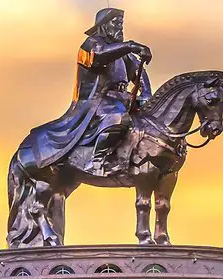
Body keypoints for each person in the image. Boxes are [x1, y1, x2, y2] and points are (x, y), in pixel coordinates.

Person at [20, 8, 153, 177]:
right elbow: (99, 56)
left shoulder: (123, 53)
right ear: (103, 26)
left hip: (123, 98)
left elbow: (137, 73)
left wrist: (146, 94)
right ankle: (98, 161)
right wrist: (130, 45)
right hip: (97, 101)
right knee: (117, 117)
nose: (120, 27)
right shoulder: (91, 45)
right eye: (115, 23)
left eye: (121, 23)